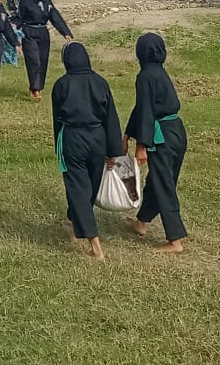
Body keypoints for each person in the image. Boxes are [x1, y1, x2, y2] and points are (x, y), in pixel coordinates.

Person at [51, 42, 124, 260]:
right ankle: (75, 222)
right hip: (98, 137)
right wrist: (114, 151)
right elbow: (111, 118)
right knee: (90, 185)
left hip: (73, 138)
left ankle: (94, 242)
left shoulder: (61, 85)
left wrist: (59, 145)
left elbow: (57, 120)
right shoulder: (100, 82)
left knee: (77, 186)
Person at [124, 32, 187, 254]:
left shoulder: (145, 76)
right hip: (177, 131)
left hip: (162, 135)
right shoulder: (158, 73)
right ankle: (142, 222)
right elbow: (142, 107)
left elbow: (148, 112)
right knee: (158, 180)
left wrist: (142, 146)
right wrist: (127, 134)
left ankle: (175, 239)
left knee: (163, 184)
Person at [16, 0, 73, 101]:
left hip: (43, 33)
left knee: (42, 61)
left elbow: (56, 18)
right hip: (29, 32)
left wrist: (66, 33)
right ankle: (35, 89)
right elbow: (20, 16)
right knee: (34, 61)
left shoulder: (48, 3)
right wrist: (14, 31)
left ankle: (38, 87)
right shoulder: (26, 0)